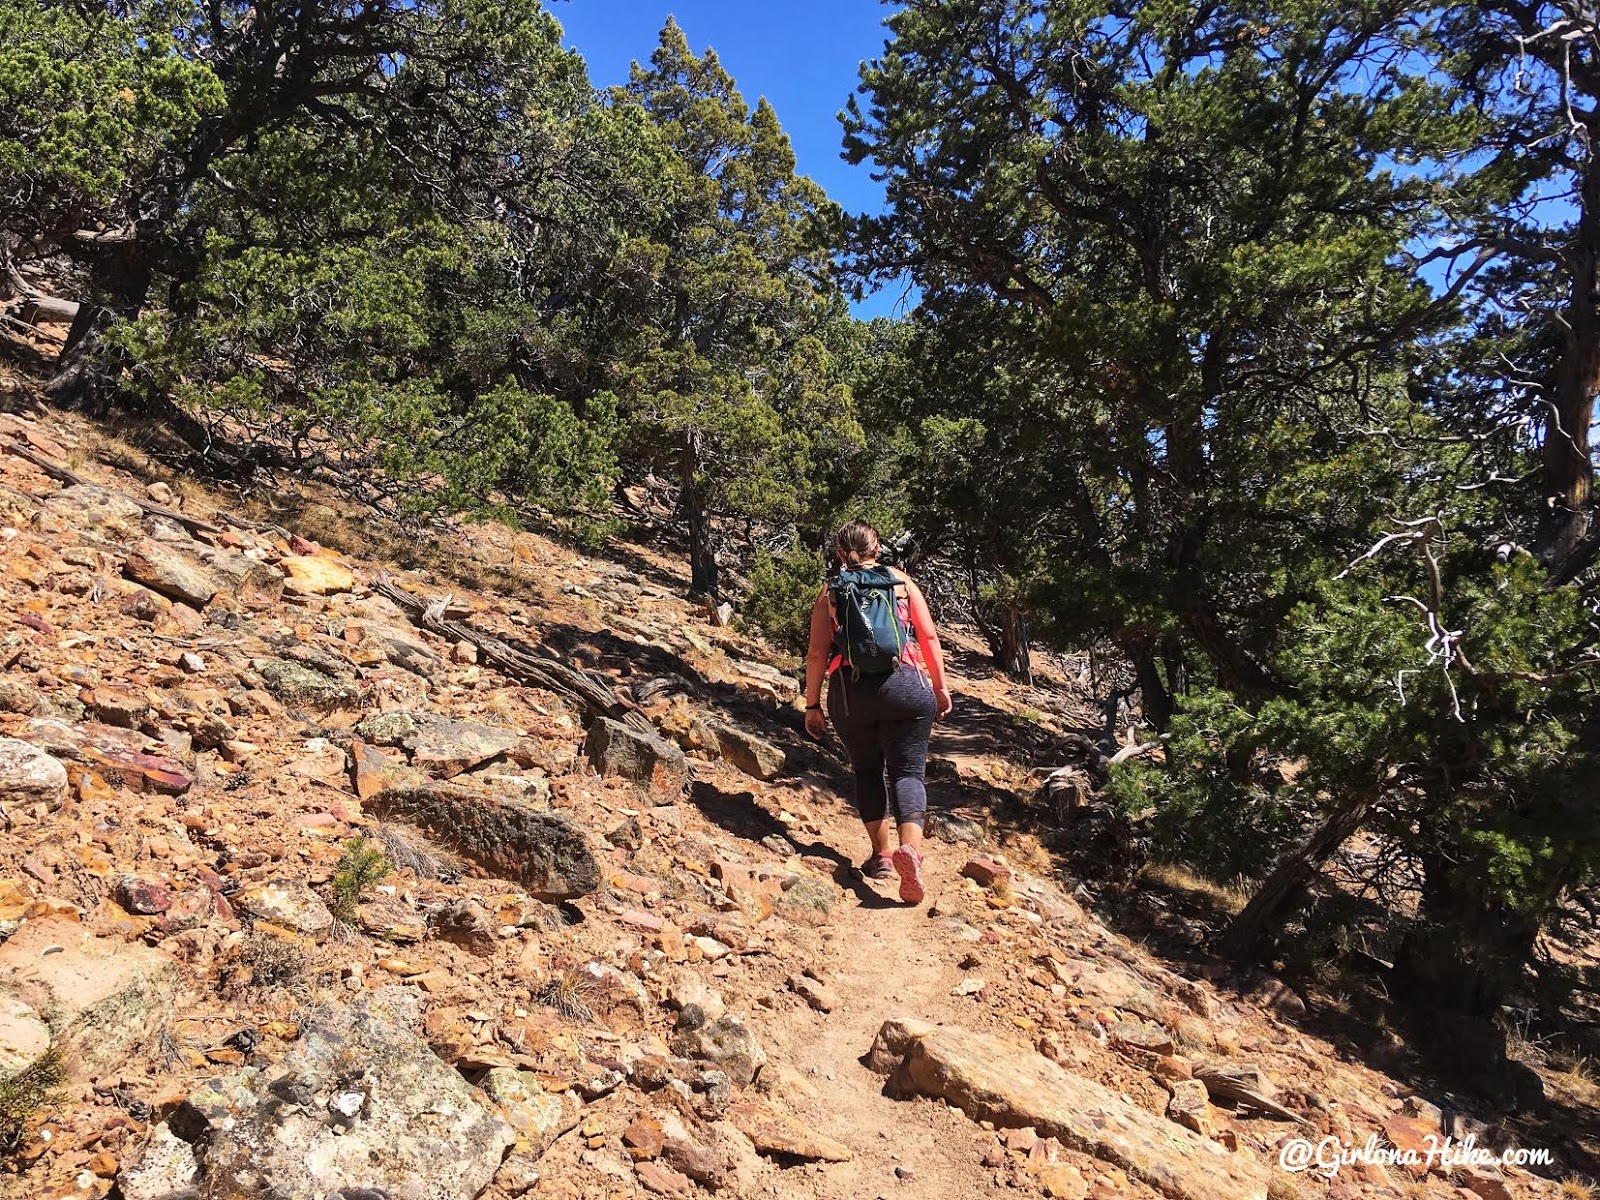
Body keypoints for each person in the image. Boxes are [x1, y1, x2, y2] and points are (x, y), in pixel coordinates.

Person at [802, 520, 953, 904]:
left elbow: (818, 652)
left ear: (840, 553)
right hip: (906, 683)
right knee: (908, 772)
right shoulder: (901, 582)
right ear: (878, 547)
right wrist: (939, 687)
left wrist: (813, 704)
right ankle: (912, 853)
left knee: (867, 770)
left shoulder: (831, 591)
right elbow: (929, 635)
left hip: (851, 693)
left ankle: (883, 857)